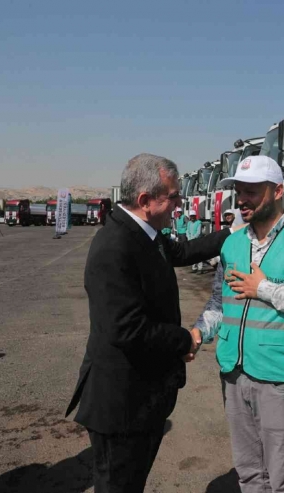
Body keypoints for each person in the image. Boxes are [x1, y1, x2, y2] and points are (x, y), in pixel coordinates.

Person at [65, 153, 232, 493]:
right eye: (173, 196)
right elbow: (126, 329)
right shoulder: (114, 247)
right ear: (145, 200)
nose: (179, 204)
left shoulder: (144, 232)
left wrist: (231, 234)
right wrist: (186, 340)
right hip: (121, 405)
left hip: (141, 400)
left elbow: (181, 253)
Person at [193, 156, 284, 493]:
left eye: (251, 192)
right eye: (238, 191)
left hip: (279, 376)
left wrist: (266, 289)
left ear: (277, 191)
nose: (241, 199)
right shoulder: (232, 243)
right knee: (249, 473)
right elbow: (219, 301)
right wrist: (199, 331)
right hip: (233, 371)